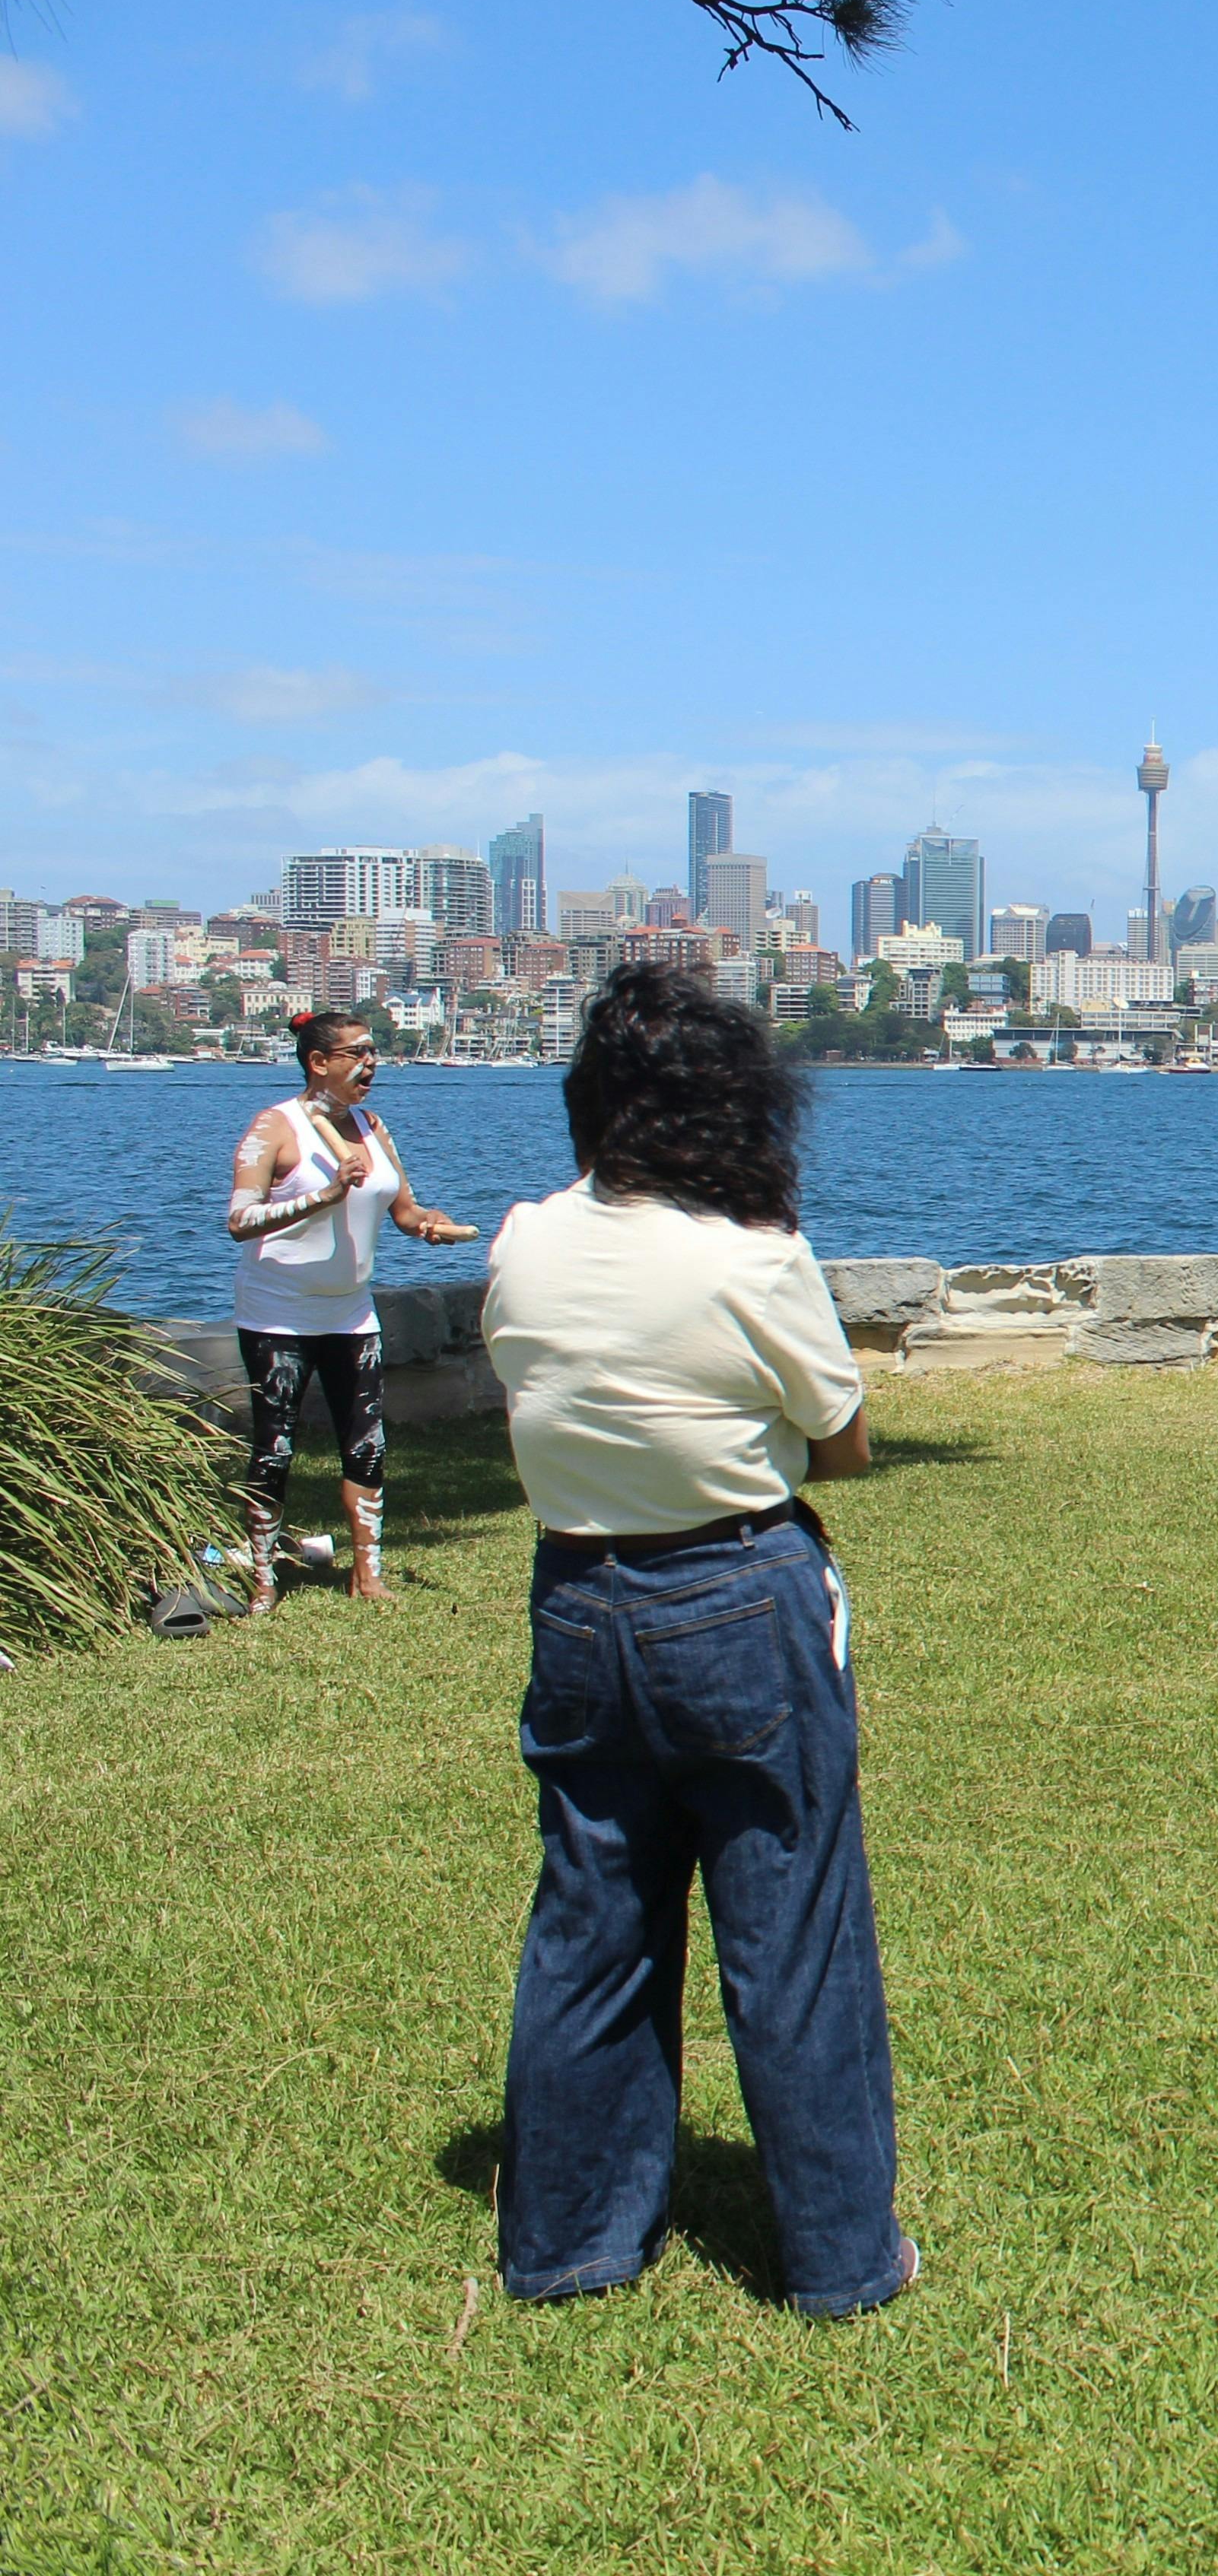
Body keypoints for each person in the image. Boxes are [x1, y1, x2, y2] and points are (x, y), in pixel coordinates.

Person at [480, 966, 913, 2317]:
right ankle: (842, 2256)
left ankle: (566, 2239)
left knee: (591, 1918)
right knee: (791, 1924)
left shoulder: (523, 1244)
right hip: (736, 1592)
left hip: (577, 1598)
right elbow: (842, 1441)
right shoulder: (753, 1255)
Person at [221, 1008, 475, 1607]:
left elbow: (403, 1211)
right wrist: (325, 1195)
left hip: (351, 1313)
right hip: (277, 1315)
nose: (371, 1064)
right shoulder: (274, 1126)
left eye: (373, 1052)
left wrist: (430, 1227)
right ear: (318, 1062)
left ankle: (369, 1574)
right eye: (357, 1053)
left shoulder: (371, 1124)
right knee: (275, 1447)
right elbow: (239, 1221)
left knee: (367, 1444)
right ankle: (263, 1577)